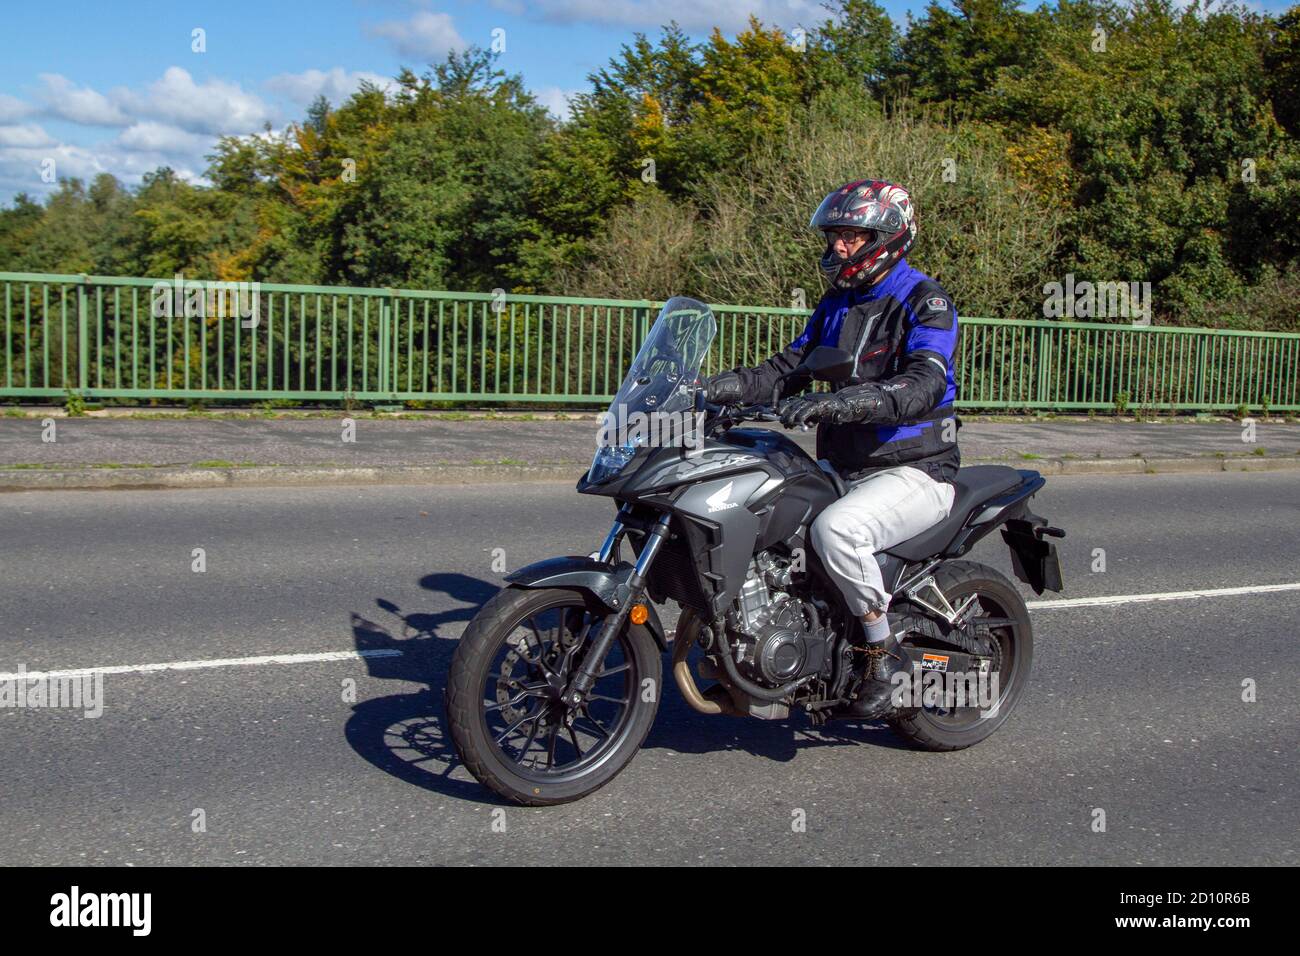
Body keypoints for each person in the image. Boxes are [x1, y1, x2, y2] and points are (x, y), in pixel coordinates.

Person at [703, 179, 961, 718]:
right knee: (765, 513)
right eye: (835, 236)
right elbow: (789, 368)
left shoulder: (925, 301)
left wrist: (848, 403)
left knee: (835, 531)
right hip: (843, 465)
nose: (839, 246)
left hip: (914, 469)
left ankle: (883, 655)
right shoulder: (837, 304)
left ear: (888, 238)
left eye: (851, 235)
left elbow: (925, 382)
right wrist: (719, 388)